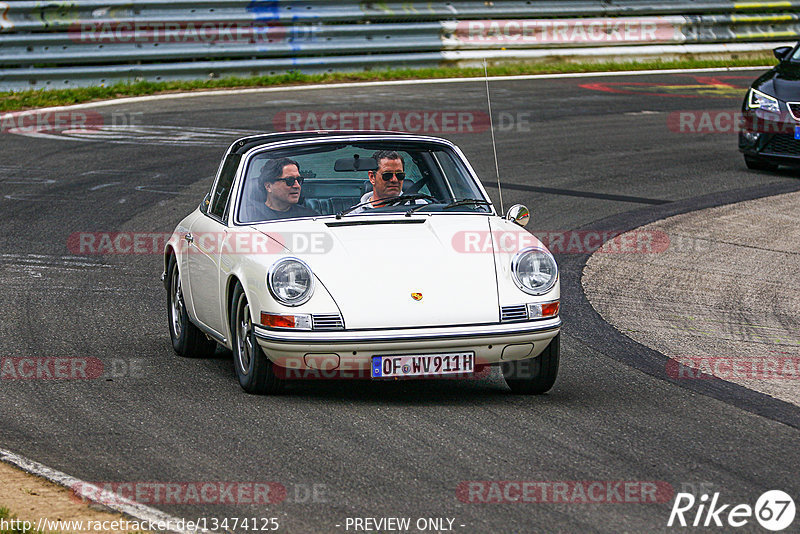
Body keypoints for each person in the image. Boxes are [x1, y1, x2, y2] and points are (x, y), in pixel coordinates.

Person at [350, 150, 416, 214]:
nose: (394, 180)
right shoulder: (354, 215)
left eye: (399, 175)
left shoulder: (420, 207)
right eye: (387, 175)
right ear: (372, 177)